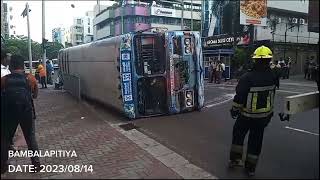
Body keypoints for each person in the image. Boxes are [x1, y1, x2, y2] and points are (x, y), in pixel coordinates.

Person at [228, 46, 278, 177]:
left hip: (246, 115)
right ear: (269, 60)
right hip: (263, 117)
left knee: (238, 135)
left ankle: (235, 160)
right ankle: (250, 168)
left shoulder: (247, 77)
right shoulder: (273, 76)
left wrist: (234, 109)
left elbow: (239, 96)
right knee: (256, 142)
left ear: (255, 60)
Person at [1, 55, 40, 174]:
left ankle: (2, 166)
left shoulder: (4, 79)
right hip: (26, 112)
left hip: (8, 113)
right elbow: (35, 95)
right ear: (23, 65)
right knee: (30, 138)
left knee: (5, 139)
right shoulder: (30, 78)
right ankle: (36, 164)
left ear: (11, 66)